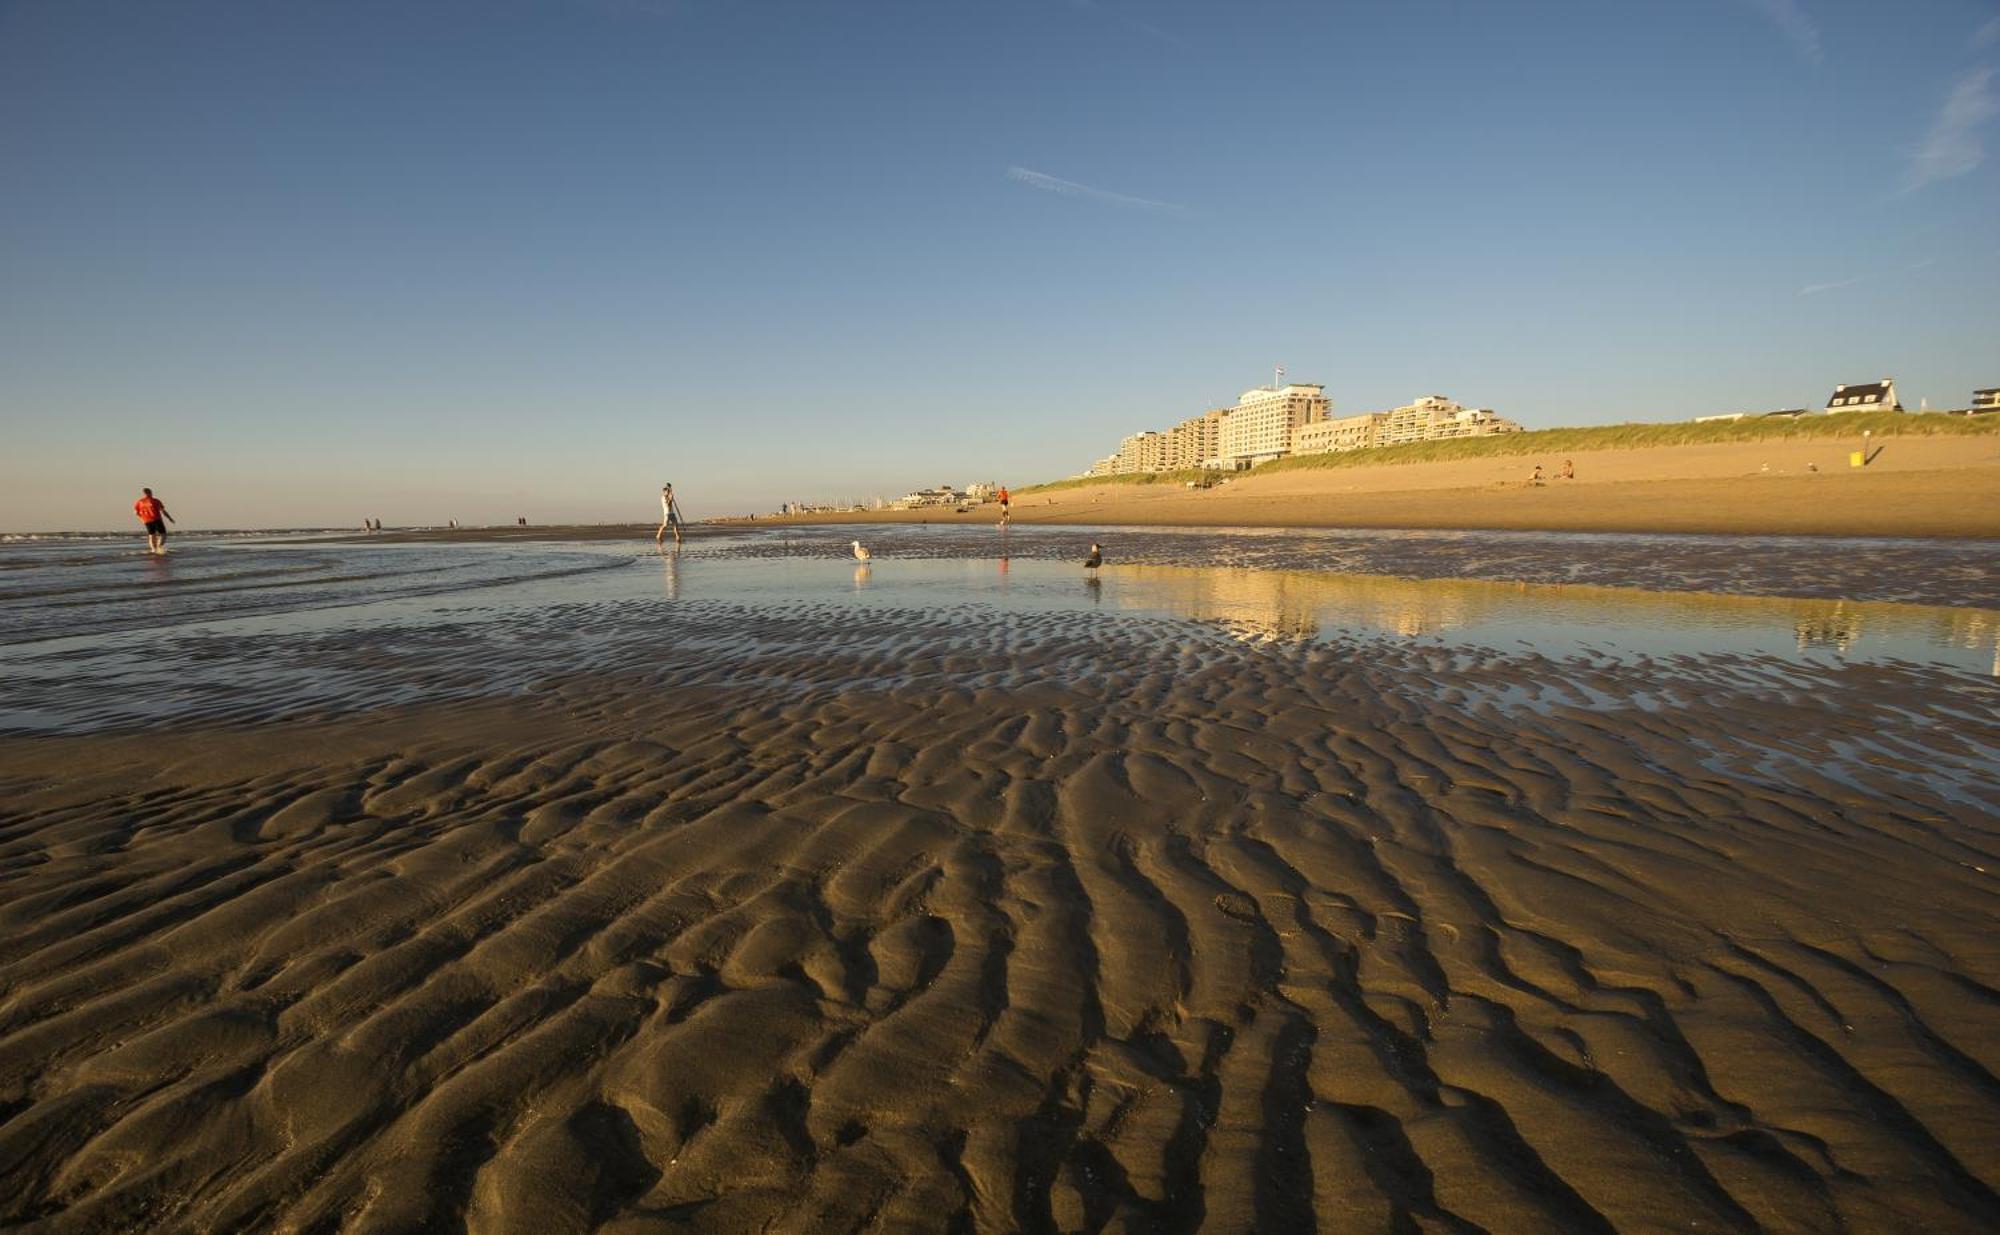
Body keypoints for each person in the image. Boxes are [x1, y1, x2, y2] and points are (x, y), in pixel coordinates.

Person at [133, 487, 174, 555]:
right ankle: (159, 547)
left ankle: (153, 549)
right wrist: (169, 518)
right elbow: (163, 511)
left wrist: (142, 518)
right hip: (156, 519)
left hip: (146, 520)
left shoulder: (139, 502)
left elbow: (135, 512)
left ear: (144, 493)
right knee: (163, 534)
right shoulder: (155, 501)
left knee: (151, 535)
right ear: (150, 492)